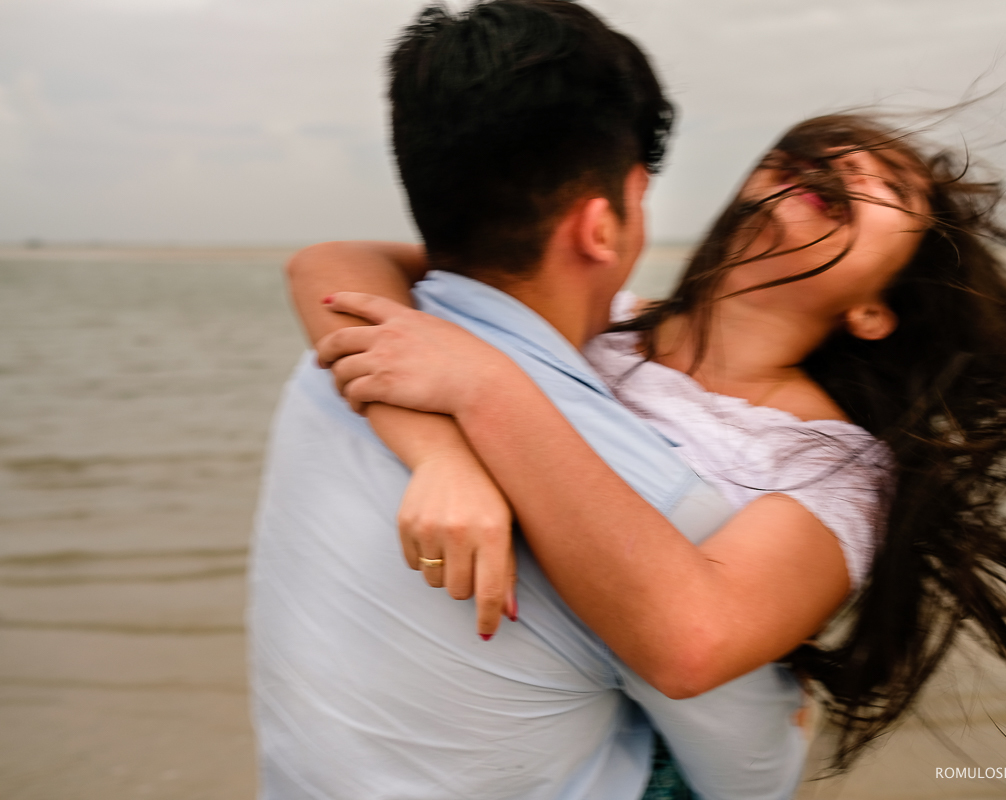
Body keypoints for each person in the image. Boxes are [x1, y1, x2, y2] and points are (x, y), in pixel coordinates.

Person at [310, 110, 1006, 775]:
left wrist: (486, 389)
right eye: (819, 152)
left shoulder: (835, 467)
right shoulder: (598, 323)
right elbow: (332, 268)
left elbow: (692, 642)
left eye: (887, 185)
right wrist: (444, 458)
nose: (844, 163)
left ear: (875, 309)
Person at [250, 2, 811, 799]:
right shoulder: (647, 499)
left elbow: (327, 264)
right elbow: (755, 779)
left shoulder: (336, 360)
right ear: (601, 224)